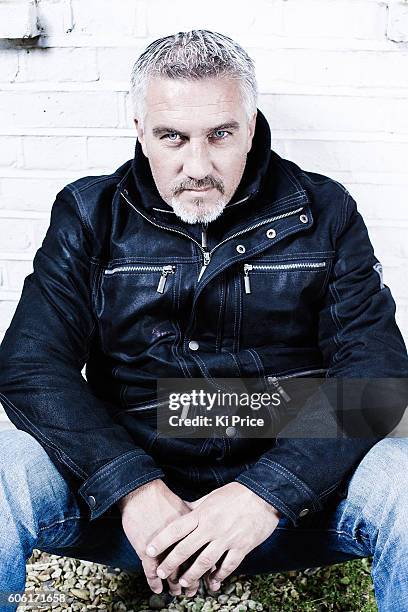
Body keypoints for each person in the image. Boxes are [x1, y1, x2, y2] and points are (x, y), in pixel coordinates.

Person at [0, 29, 407, 612]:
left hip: (291, 485)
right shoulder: (90, 212)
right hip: (131, 482)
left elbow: (377, 372)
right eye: (172, 137)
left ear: (251, 124)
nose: (198, 166)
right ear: (139, 129)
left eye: (221, 135)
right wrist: (133, 490)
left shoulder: (325, 210)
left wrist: (263, 494)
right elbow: (30, 365)